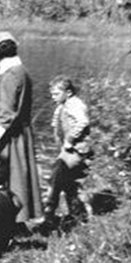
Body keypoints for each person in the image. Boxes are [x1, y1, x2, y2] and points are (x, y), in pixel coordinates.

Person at [0, 32, 42, 223]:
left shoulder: (12, 75)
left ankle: (10, 222)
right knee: (17, 177)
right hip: (14, 134)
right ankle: (15, 222)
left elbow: (6, 115)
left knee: (10, 177)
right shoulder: (19, 72)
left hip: (11, 138)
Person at [44, 76, 91, 224]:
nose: (53, 97)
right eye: (51, 94)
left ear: (68, 92)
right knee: (67, 182)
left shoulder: (74, 104)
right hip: (67, 150)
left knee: (55, 178)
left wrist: (70, 139)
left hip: (76, 149)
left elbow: (83, 121)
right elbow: (58, 123)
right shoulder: (63, 105)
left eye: (56, 94)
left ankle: (48, 215)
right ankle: (78, 216)